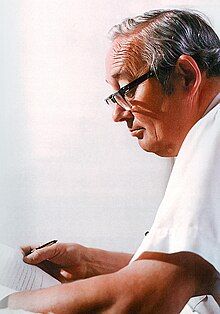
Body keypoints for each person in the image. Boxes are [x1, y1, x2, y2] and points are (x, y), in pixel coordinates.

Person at [6, 9, 220, 313]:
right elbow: (201, 271)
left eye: (127, 89)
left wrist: (7, 301)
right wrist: (88, 262)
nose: (118, 113)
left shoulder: (213, 132)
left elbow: (148, 296)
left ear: (186, 76)